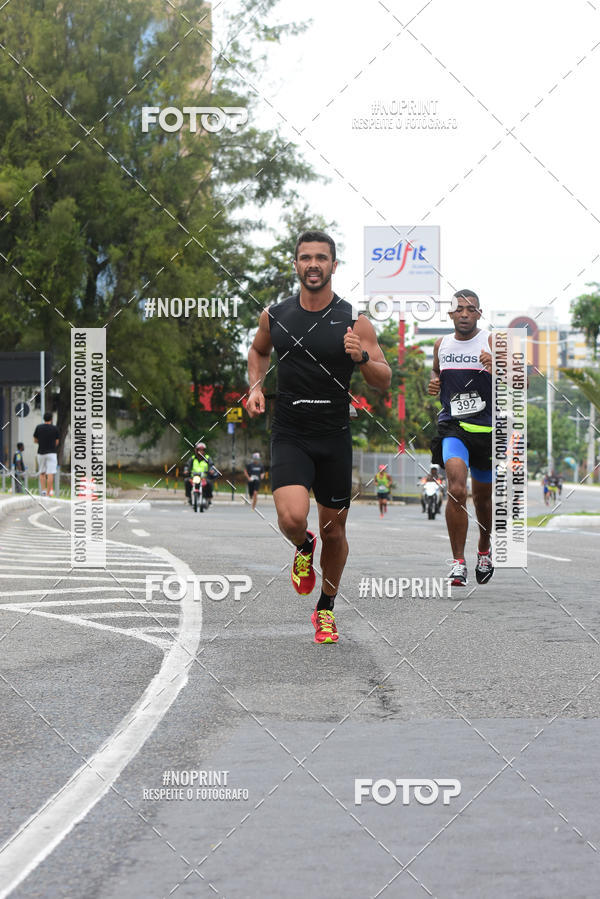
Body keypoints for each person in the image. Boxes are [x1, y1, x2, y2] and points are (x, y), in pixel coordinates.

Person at [247, 229, 391, 644]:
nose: (313, 264)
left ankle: (325, 608)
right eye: (306, 257)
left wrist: (361, 357)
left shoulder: (353, 320)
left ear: (333, 265)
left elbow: (383, 377)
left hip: (333, 435)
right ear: (296, 264)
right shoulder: (276, 316)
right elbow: (258, 352)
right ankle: (302, 546)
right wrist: (255, 387)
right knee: (292, 517)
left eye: (321, 258)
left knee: (335, 531)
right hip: (290, 431)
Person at [428, 289, 493, 586]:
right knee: (456, 487)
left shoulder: (492, 342)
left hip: (489, 431)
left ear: (479, 313)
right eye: (459, 309)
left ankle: (483, 549)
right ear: (450, 313)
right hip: (453, 426)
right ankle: (458, 563)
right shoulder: (440, 344)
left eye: (471, 309)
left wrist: (498, 368)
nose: (465, 314)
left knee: (483, 499)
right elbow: (436, 373)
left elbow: (523, 382)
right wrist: (434, 381)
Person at [33, 412, 59, 496]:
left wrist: (42, 442)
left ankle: (43, 490)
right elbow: (57, 442)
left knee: (42, 472)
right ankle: (48, 493)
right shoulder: (55, 428)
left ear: (44, 419)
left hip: (41, 452)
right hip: (52, 453)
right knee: (50, 473)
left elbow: (35, 440)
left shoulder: (38, 427)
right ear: (51, 419)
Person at [184, 441, 217, 506]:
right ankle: (189, 498)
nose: (201, 452)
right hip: (194, 477)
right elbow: (187, 465)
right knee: (186, 481)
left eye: (202, 450)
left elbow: (212, 465)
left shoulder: (207, 458)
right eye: (199, 450)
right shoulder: (193, 458)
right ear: (196, 450)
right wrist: (186, 470)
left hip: (204, 477)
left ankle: (209, 499)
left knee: (209, 483)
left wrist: (211, 470)